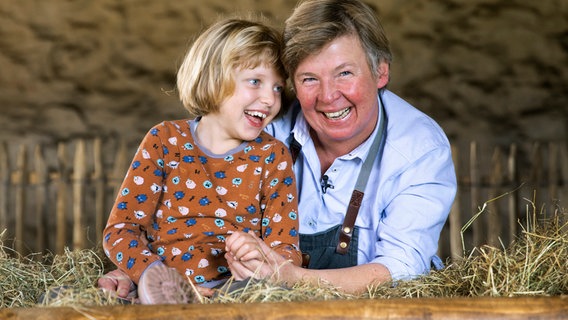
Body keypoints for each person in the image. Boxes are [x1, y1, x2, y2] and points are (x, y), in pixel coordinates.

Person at [99, 0, 457, 297]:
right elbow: (184, 213)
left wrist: (283, 277)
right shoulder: (261, 125)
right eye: (308, 79)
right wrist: (146, 271)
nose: (329, 96)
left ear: (380, 73)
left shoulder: (420, 150)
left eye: (345, 73)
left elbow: (402, 272)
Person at [101, 17, 302, 304]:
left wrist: (259, 258)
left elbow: (286, 249)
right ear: (214, 77)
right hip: (163, 288)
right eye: (255, 81)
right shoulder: (164, 140)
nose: (270, 99)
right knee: (75, 299)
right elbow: (121, 229)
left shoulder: (273, 156)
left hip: (236, 291)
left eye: (277, 88)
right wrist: (151, 274)